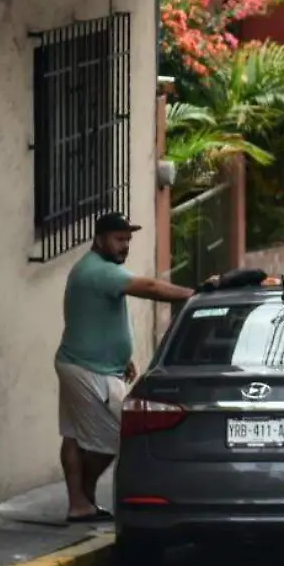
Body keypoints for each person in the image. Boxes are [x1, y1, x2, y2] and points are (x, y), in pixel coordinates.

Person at [54, 212, 199, 523]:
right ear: (99, 239)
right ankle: (85, 495)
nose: (125, 246)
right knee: (118, 436)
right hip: (89, 370)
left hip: (83, 363)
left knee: (74, 437)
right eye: (119, 239)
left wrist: (123, 358)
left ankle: (79, 504)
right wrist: (196, 295)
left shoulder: (95, 270)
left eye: (128, 240)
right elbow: (150, 287)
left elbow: (95, 320)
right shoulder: (97, 271)